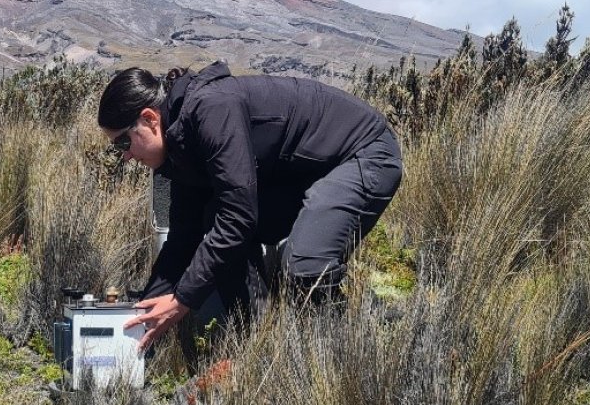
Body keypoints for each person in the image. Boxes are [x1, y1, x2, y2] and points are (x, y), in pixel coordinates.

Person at [99, 62, 402, 350]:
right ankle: (257, 344)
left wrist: (181, 301)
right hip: (306, 174)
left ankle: (364, 339)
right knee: (212, 219)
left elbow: (238, 219)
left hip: (364, 153)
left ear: (150, 119)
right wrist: (142, 318)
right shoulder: (180, 146)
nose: (125, 157)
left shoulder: (211, 110)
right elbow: (182, 240)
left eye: (123, 143)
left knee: (304, 267)